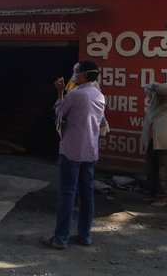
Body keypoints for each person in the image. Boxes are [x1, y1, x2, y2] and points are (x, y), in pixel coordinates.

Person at [44, 60, 106, 250]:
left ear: (84, 75)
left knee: (67, 193)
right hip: (90, 151)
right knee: (87, 195)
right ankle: (84, 235)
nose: (73, 75)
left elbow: (59, 112)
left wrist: (60, 92)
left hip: (72, 150)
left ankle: (60, 238)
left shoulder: (77, 95)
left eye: (75, 72)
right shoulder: (99, 95)